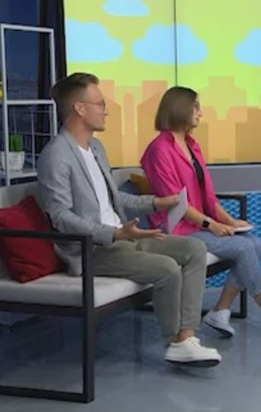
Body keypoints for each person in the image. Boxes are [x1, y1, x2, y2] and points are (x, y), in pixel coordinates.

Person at [38, 72, 221, 366]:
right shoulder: (56, 155)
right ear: (79, 108)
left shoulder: (96, 148)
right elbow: (60, 216)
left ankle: (187, 337)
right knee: (167, 269)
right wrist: (113, 234)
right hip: (93, 250)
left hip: (124, 238)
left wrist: (157, 203)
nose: (106, 110)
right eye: (100, 104)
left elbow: (114, 198)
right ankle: (174, 342)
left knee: (195, 249)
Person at [140, 86, 261, 338]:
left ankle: (220, 310)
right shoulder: (159, 150)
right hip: (176, 229)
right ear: (180, 109)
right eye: (196, 107)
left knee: (255, 244)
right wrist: (212, 226)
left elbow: (207, 195)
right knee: (243, 248)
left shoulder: (192, 146)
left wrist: (229, 221)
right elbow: (176, 203)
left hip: (197, 224)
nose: (200, 113)